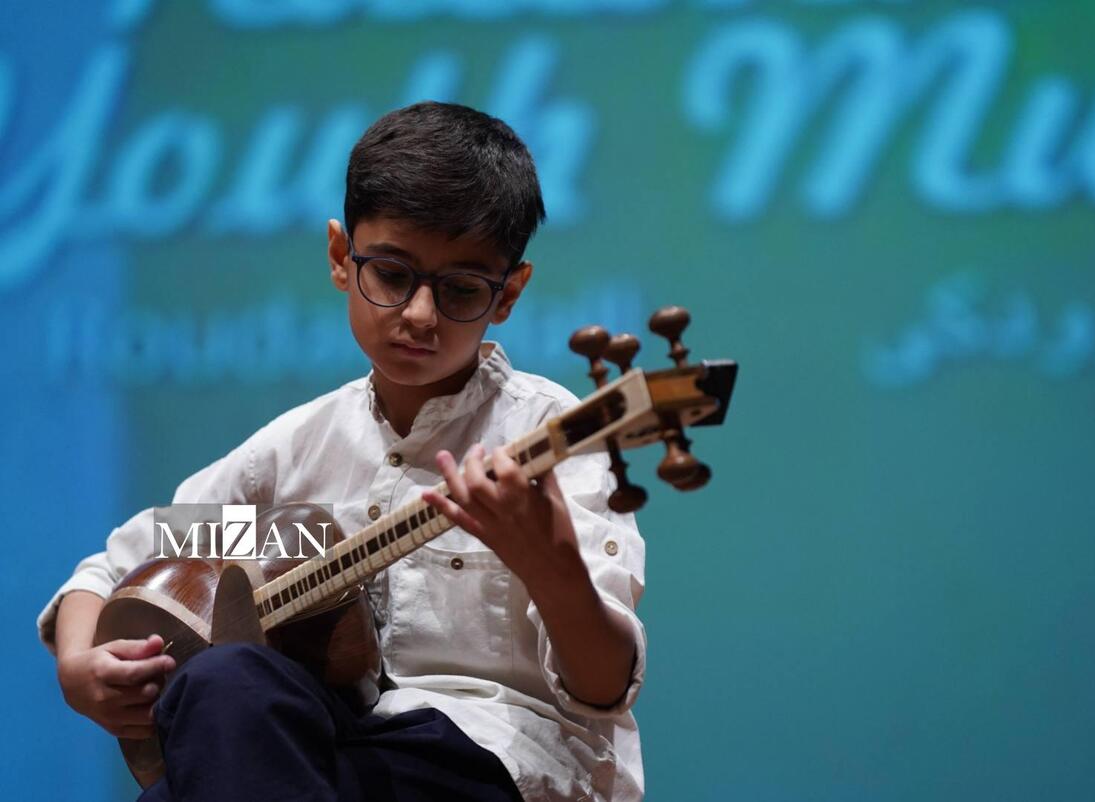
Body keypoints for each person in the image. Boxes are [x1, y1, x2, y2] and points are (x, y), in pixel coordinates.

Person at [37, 101, 647, 802]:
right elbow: (125, 558)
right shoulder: (295, 451)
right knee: (222, 681)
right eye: (391, 275)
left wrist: (552, 566)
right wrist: (81, 668)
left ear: (507, 295)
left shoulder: (552, 439)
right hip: (323, 751)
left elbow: (604, 686)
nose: (419, 314)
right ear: (339, 257)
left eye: (460, 290)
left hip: (481, 760)